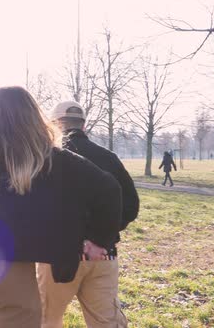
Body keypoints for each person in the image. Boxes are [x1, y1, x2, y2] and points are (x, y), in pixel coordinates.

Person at [0, 87, 122, 328]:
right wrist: (98, 239)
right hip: (12, 267)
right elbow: (110, 189)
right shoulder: (52, 158)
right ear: (33, 115)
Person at [38, 100, 140, 328]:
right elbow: (130, 205)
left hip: (57, 257)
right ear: (84, 126)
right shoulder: (109, 158)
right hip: (103, 255)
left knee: (46, 320)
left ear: (54, 124)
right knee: (107, 322)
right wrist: (99, 239)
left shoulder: (45, 158)